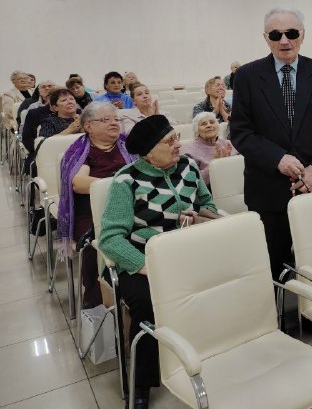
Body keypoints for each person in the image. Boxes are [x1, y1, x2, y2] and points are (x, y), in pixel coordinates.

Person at [99, 115, 218, 409]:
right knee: (147, 303)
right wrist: (148, 267)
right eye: (170, 141)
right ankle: (142, 382)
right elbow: (110, 238)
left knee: (222, 282)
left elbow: (206, 204)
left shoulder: (188, 167)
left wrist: (200, 216)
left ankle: (212, 355)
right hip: (141, 259)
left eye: (176, 137)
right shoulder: (126, 180)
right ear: (149, 151)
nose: (178, 144)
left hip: (186, 251)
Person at [230, 8, 312, 280]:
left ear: (302, 35)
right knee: (272, 268)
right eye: (275, 35)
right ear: (265, 38)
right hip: (267, 190)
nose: (284, 41)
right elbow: (241, 132)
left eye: (291, 33)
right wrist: (277, 158)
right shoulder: (246, 76)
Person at [58, 102, 135, 310]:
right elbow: (79, 183)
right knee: (96, 243)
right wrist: (118, 185)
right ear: (88, 126)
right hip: (92, 212)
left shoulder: (128, 144)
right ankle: (97, 301)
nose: (114, 123)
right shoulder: (80, 150)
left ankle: (134, 293)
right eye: (105, 120)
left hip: (130, 204)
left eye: (116, 119)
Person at [181, 111, 238, 185]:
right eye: (203, 124)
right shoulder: (190, 151)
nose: (209, 125)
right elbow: (193, 181)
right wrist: (215, 164)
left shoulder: (228, 144)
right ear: (196, 130)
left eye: (212, 122)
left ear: (217, 126)